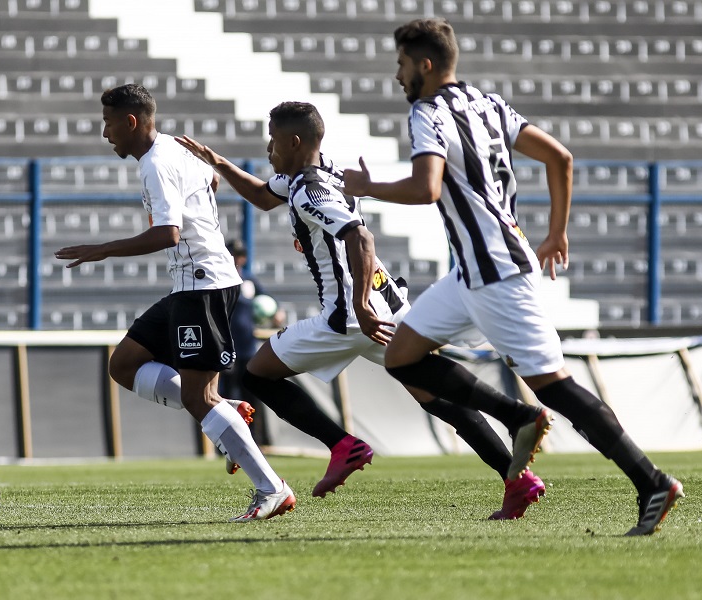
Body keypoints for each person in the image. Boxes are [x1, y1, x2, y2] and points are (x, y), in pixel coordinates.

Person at [343, 18, 683, 536]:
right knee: (401, 355)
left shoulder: (426, 111)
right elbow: (559, 157)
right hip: (472, 273)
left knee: (557, 387)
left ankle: (650, 480)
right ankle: (515, 416)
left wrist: (370, 187)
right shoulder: (490, 105)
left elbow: (428, 187)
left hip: (496, 274)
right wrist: (555, 234)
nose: (398, 75)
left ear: (425, 66)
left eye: (402, 64)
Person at [177, 102, 547, 520]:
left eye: (272, 139)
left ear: (294, 142)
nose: (268, 147)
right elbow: (262, 196)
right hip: (387, 305)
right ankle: (518, 478)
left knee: (258, 375)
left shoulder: (308, 190)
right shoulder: (317, 173)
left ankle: (342, 445)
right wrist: (218, 162)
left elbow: (361, 238)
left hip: (348, 317)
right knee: (438, 399)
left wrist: (356, 307)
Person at [54, 83, 295, 522]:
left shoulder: (157, 163)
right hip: (191, 285)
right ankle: (225, 412)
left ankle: (272, 488)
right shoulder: (176, 149)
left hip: (203, 285)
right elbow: (212, 179)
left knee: (198, 397)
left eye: (108, 123)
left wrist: (102, 248)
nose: (105, 134)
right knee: (124, 364)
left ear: (130, 121)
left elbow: (169, 233)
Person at [218, 238, 283, 451]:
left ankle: (254, 441)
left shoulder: (249, 281)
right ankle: (226, 443)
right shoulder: (218, 279)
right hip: (225, 348)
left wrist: (276, 313)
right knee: (225, 398)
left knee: (251, 396)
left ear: (242, 257)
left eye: (237, 254)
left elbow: (269, 301)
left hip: (247, 348)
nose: (235, 258)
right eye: (231, 253)